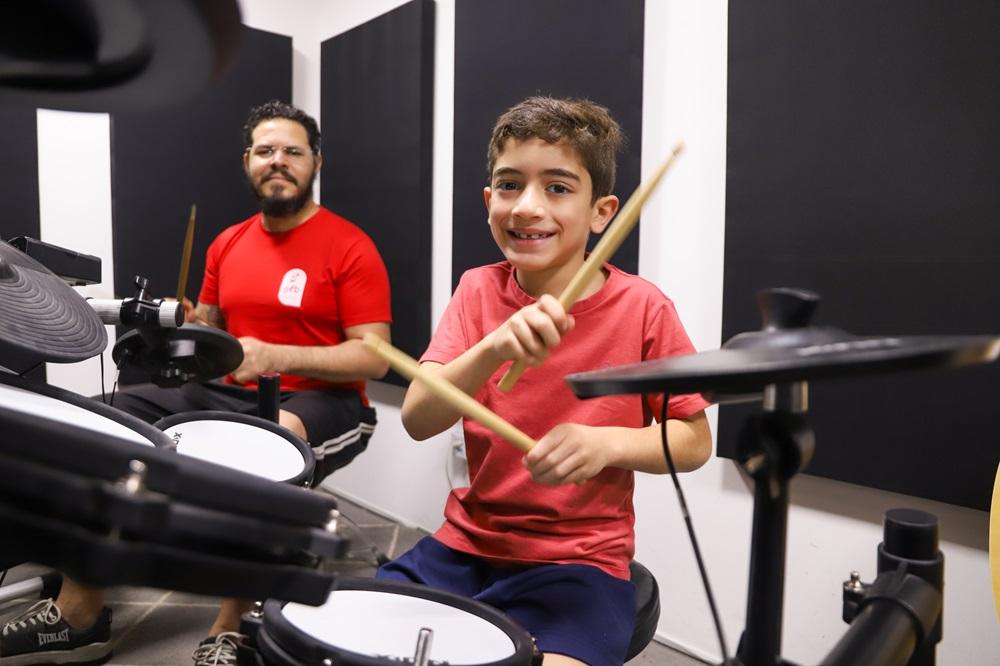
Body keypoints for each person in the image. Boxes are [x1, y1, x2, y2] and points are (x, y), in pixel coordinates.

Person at [0, 100, 392, 666]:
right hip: (226, 389)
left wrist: (277, 352)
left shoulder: (349, 246)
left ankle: (231, 627)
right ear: (248, 162)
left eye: (292, 150)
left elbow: (372, 358)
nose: (277, 161)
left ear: (316, 163)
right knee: (101, 427)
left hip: (320, 398)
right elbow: (211, 328)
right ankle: (79, 617)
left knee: (271, 444)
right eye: (265, 150)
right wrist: (188, 323)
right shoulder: (228, 242)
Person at [377, 97, 712, 666]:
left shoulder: (643, 308)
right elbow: (417, 419)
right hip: (464, 546)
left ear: (602, 211)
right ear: (489, 201)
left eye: (557, 187)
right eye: (510, 185)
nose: (528, 206)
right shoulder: (477, 290)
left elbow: (694, 440)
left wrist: (606, 443)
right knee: (344, 635)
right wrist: (494, 346)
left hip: (577, 564)